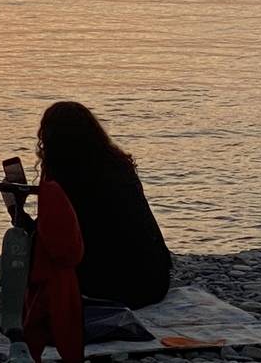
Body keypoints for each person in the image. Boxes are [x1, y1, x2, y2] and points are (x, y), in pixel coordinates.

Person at [35, 101, 171, 307]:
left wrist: (22, 220)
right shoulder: (117, 166)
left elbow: (61, 239)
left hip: (122, 286)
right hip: (157, 280)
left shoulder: (74, 179)